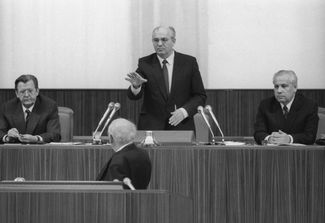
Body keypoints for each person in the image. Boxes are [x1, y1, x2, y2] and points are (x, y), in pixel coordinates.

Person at [125, 26, 207, 131]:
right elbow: (133, 96)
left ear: (173, 41)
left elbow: (200, 96)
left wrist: (184, 111)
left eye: (164, 39)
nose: (159, 44)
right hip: (151, 127)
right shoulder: (145, 63)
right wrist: (136, 86)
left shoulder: (189, 63)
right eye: (156, 40)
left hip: (181, 125)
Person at [254, 70, 319, 145]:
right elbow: (258, 133)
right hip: (272, 152)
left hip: (299, 154)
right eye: (276, 86)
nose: (279, 91)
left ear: (295, 87)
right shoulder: (265, 105)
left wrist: (289, 139)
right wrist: (269, 138)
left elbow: (310, 136)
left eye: (284, 86)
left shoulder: (309, 105)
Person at [0, 74, 61, 143]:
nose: (26, 95)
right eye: (22, 92)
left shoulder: (49, 106)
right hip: (15, 151)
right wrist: (7, 137)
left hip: (40, 151)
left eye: (30, 91)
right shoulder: (7, 107)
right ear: (17, 93)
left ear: (37, 91)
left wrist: (36, 138)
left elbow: (55, 135)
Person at [96, 118, 152, 189]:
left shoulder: (119, 160)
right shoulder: (143, 154)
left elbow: (115, 192)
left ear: (111, 138)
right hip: (141, 198)